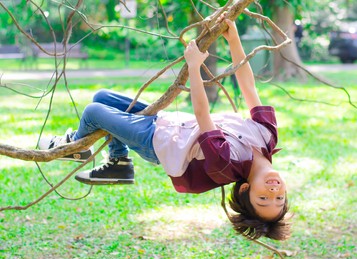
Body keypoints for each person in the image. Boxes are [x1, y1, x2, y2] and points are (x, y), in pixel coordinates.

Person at [39, 13, 292, 241]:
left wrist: (193, 66)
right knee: (102, 98)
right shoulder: (267, 136)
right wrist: (233, 39)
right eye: (278, 198)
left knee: (93, 112)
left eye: (263, 199)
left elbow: (203, 114)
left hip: (158, 142)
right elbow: (248, 86)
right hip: (168, 123)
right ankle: (119, 162)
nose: (273, 191)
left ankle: (75, 146)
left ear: (246, 189)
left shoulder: (225, 165)